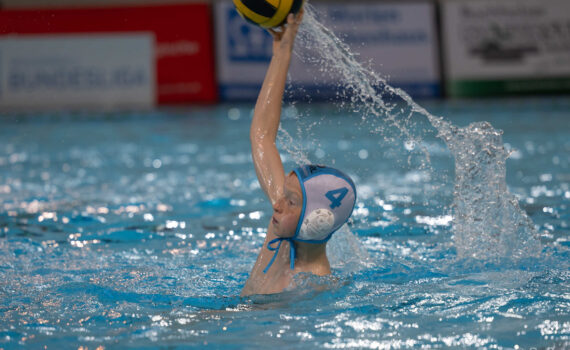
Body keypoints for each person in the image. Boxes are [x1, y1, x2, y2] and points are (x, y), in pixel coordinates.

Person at [241, 9, 356, 296]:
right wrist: (282, 51)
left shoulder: (311, 288)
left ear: (316, 220)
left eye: (290, 201)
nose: (277, 204)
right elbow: (262, 136)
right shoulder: (286, 228)